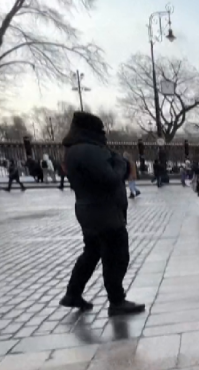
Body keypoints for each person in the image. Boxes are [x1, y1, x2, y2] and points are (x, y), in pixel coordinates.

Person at [60, 112, 145, 316]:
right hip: (104, 212)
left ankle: (73, 293)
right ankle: (117, 301)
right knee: (116, 256)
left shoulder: (74, 150)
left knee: (92, 252)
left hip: (88, 210)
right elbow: (110, 177)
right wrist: (122, 163)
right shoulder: (89, 150)